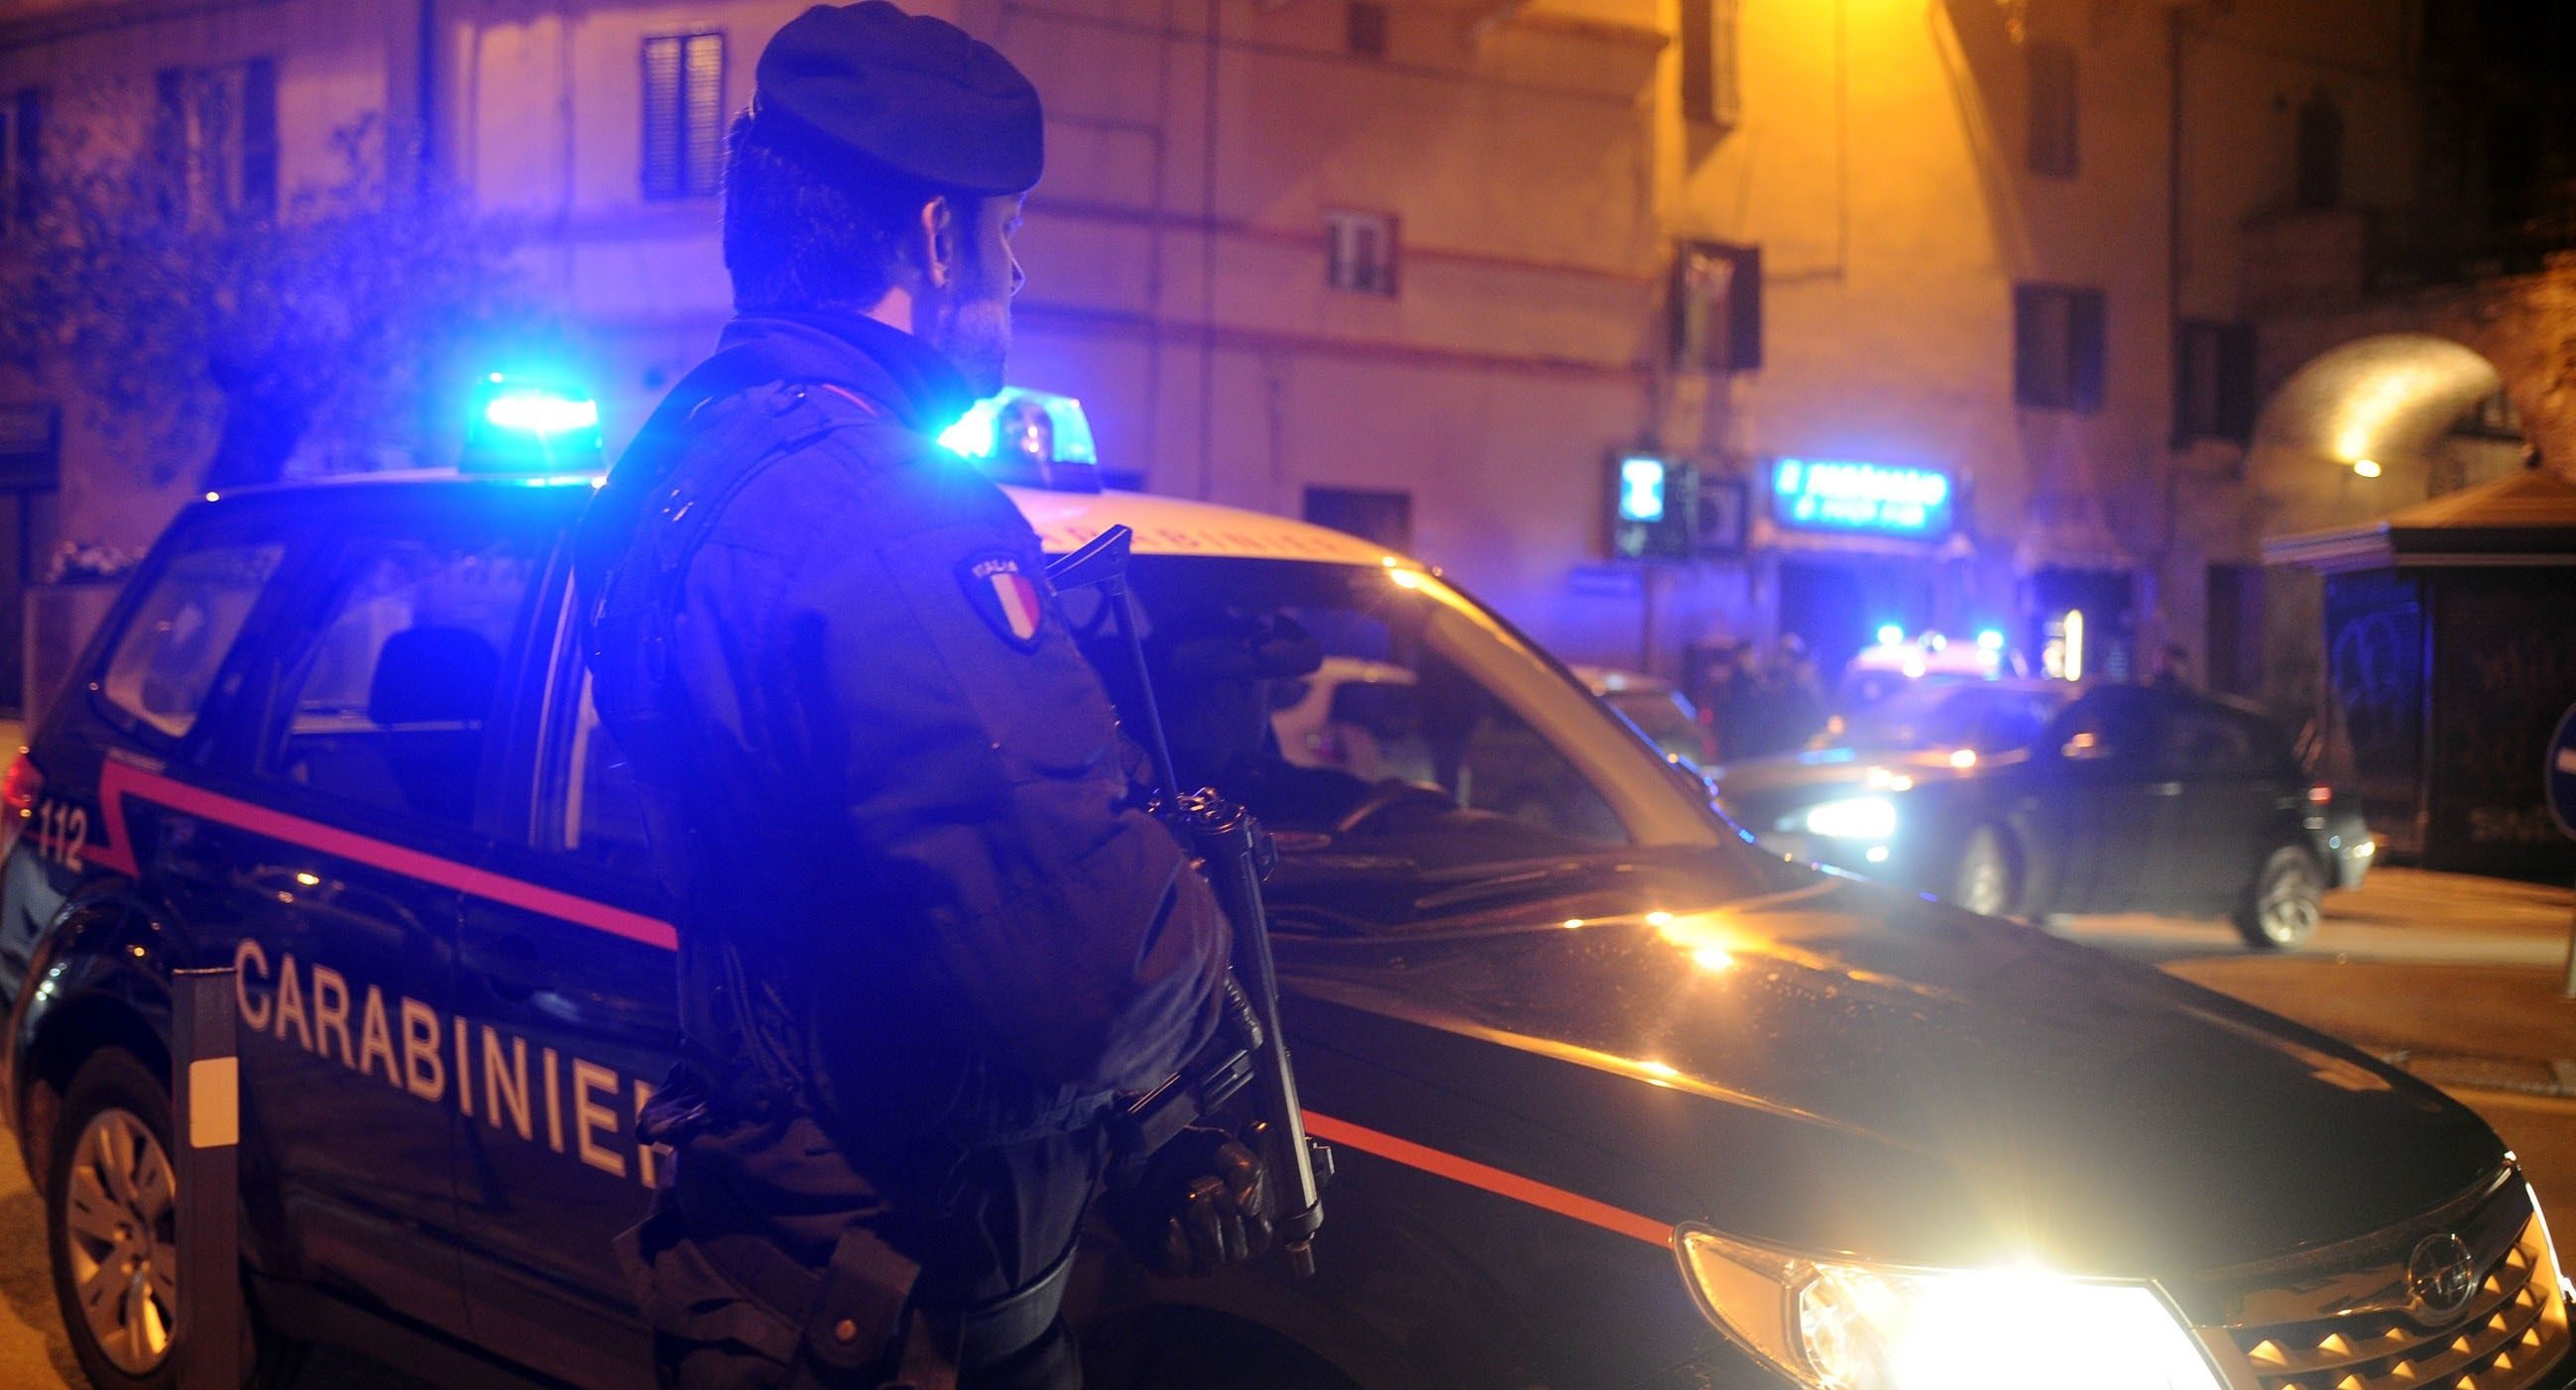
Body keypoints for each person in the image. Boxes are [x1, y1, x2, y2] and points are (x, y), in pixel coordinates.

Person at [575, 6, 1260, 1386]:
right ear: (938, 240)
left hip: (761, 1250)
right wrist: (1210, 978)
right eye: (1007, 235)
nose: (1014, 268)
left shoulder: (677, 457)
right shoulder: (889, 512)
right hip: (901, 1311)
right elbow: (1098, 970)